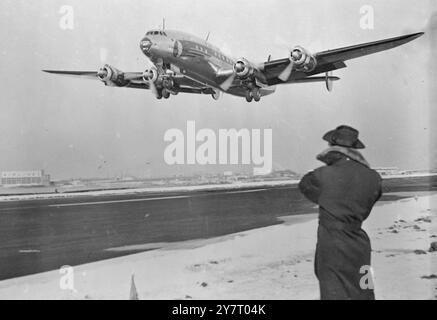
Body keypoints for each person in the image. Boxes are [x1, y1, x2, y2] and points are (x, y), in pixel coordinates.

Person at [298, 125, 382, 300]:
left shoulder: (321, 175)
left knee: (334, 292)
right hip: (359, 243)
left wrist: (329, 200)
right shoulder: (373, 177)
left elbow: (305, 185)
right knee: (364, 289)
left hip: (332, 242)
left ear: (333, 148)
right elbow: (371, 197)